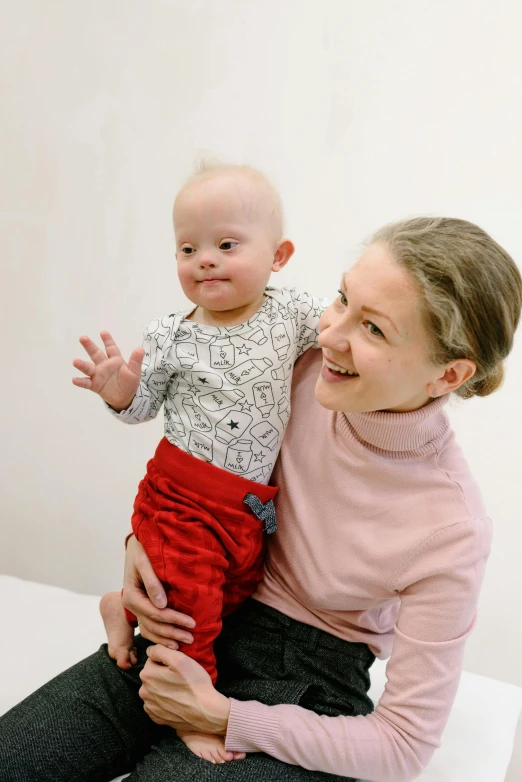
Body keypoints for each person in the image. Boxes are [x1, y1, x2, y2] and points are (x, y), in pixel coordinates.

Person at [1, 217, 521, 782]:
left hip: (305, 682)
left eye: (372, 328)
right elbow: (200, 476)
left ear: (449, 374)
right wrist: (142, 552)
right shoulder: (290, 373)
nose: (328, 335)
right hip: (205, 612)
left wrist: (226, 717)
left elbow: (401, 747)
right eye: (342, 298)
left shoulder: (451, 528)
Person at [71, 162, 324, 762]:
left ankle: (118, 610)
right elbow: (142, 409)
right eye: (188, 248)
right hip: (181, 493)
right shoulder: (171, 334)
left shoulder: (290, 313)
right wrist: (119, 391)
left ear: (279, 255)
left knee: (234, 590)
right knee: (192, 611)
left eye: (226, 244)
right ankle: (193, 704)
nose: (204, 259)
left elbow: (338, 339)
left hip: (247, 505)